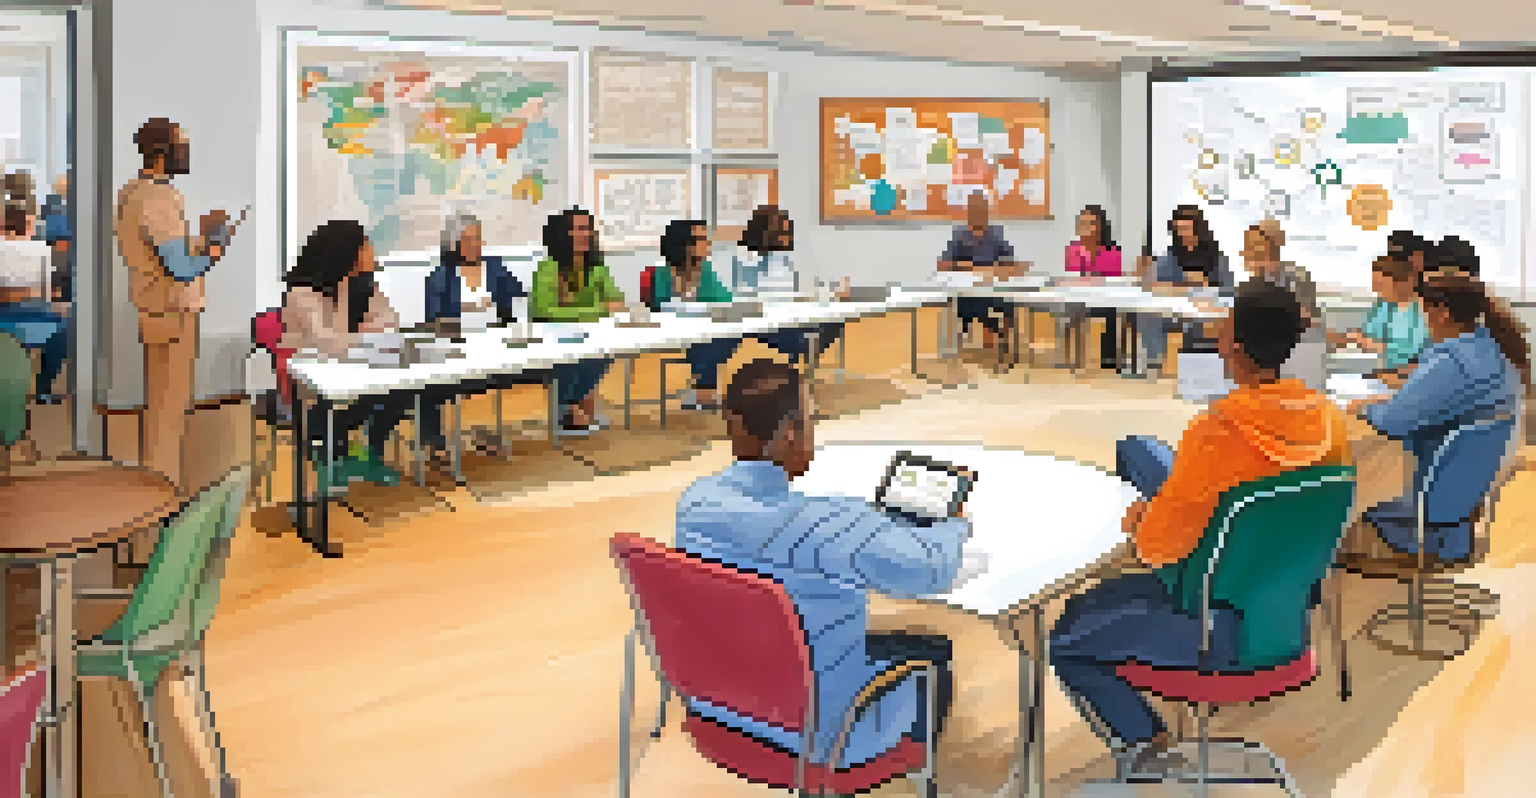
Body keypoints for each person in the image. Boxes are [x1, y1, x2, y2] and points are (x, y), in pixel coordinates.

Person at [1055, 280, 1350, 774]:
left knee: (1067, 636)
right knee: (1090, 605)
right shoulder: (1330, 422)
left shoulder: (1218, 430)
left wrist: (1142, 517)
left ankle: (1147, 744)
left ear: (1233, 346)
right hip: (1287, 618)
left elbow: (1158, 548)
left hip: (1214, 629)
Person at [676, 358, 968, 778]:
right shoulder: (832, 523)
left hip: (718, 710)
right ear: (791, 432)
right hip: (820, 739)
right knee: (934, 653)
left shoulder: (695, 504)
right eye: (812, 418)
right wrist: (952, 526)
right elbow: (931, 571)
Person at [1347, 272, 1527, 564]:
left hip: (1429, 503)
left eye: (1422, 310)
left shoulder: (1451, 363)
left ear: (1441, 313)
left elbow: (1393, 421)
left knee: (1345, 487)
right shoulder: (1490, 349)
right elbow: (1439, 402)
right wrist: (1393, 402)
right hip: (1464, 499)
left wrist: (1365, 408)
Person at [115, 118, 230, 490]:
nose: (187, 152)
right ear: (164, 151)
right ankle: (165, 494)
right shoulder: (159, 197)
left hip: (155, 308)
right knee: (169, 411)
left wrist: (200, 240)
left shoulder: (133, 191)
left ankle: (159, 488)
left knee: (160, 407)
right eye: (182, 145)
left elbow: (160, 252)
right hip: (173, 311)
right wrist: (214, 248)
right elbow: (180, 268)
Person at [279, 220, 410, 487]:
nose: (372, 252)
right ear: (348, 252)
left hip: (353, 373)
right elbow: (327, 343)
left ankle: (369, 454)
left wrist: (357, 334)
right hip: (312, 390)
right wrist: (363, 333)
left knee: (401, 394)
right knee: (339, 407)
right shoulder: (302, 294)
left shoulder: (362, 286)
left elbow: (391, 323)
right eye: (366, 246)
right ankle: (330, 459)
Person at [528, 208, 622, 432]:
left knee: (603, 355)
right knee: (570, 358)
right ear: (564, 233)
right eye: (578, 228)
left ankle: (571, 409)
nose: (585, 234)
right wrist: (596, 311)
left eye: (587, 228)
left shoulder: (597, 268)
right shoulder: (548, 268)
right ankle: (567, 411)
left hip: (591, 335)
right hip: (555, 336)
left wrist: (573, 310)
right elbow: (544, 310)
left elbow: (616, 302)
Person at [730, 205, 843, 366]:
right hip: (767, 323)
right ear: (765, 234)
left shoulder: (781, 256)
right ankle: (802, 353)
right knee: (815, 329)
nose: (787, 239)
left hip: (788, 316)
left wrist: (827, 294)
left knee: (835, 319)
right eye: (781, 234)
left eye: (788, 233)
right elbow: (761, 296)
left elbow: (793, 291)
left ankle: (801, 359)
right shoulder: (747, 256)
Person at [648, 219, 740, 410]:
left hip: (705, 332)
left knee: (722, 339)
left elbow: (724, 301)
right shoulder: (662, 273)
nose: (707, 244)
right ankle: (703, 393)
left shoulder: (705, 270)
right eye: (701, 239)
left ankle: (702, 393)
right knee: (708, 344)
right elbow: (659, 308)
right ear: (685, 244)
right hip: (675, 332)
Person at [1137, 205, 1236, 375]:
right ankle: (1154, 362)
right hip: (1175, 309)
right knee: (1147, 315)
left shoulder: (1215, 256)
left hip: (1205, 309)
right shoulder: (1171, 255)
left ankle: (1198, 368)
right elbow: (1155, 284)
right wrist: (1178, 285)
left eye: (1186, 228)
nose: (1183, 234)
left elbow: (1227, 288)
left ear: (1198, 229)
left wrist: (1205, 283)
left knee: (1197, 323)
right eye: (1178, 229)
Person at [0, 207, 68, 405]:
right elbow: (46, 292)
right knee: (63, 330)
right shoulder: (41, 249)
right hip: (37, 322)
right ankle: (43, 390)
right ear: (28, 226)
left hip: (4, 320)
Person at [938, 191, 1020, 351]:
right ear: (969, 212)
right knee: (977, 304)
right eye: (974, 209)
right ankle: (985, 336)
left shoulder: (995, 234)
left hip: (993, 288)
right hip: (968, 292)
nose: (978, 213)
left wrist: (1002, 268)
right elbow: (943, 264)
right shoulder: (960, 235)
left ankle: (1005, 345)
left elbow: (1009, 260)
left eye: (982, 209)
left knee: (1008, 301)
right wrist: (969, 268)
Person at [1328, 256, 1428, 373]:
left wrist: (1376, 346)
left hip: (1409, 372)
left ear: (1402, 283)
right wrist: (1345, 338)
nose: (1375, 289)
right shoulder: (1383, 306)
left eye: (1380, 284)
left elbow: (1415, 350)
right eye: (1374, 284)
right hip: (1379, 368)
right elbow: (1367, 334)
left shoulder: (1423, 310)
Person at [1064, 205, 1124, 370]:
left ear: (1100, 227)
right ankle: (1074, 358)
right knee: (1071, 308)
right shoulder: (1074, 249)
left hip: (1103, 298)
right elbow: (1074, 276)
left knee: (1111, 311)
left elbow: (1110, 281)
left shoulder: (1112, 250)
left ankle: (1109, 359)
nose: (1085, 227)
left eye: (1090, 223)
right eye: (1082, 223)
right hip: (1078, 298)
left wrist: (1090, 279)